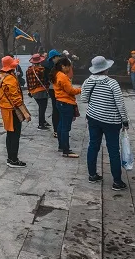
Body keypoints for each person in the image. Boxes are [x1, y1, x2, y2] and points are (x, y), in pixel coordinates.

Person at [82, 55, 129, 191]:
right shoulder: (112, 83)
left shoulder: (88, 81)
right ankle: (117, 182)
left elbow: (84, 99)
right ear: (106, 69)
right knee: (113, 150)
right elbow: (120, 104)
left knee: (93, 145)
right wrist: (125, 120)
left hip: (93, 118)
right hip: (111, 121)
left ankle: (92, 175)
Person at [0, 55, 31, 167]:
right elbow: (16, 98)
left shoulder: (2, 76)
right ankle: (13, 159)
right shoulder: (10, 78)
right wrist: (25, 113)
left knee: (10, 133)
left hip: (5, 108)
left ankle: (10, 158)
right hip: (12, 110)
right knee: (15, 134)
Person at [53, 56, 81, 158]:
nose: (69, 69)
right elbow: (71, 91)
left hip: (60, 102)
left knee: (61, 124)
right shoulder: (63, 77)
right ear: (63, 66)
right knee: (65, 128)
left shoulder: (57, 74)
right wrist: (80, 89)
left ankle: (61, 145)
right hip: (66, 103)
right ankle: (66, 150)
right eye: (68, 66)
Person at [26, 53, 50, 130]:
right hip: (41, 91)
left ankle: (43, 121)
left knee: (41, 107)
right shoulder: (42, 70)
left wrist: (29, 91)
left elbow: (28, 82)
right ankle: (41, 124)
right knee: (42, 107)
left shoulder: (28, 70)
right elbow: (46, 80)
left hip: (33, 92)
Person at [43, 49, 63, 138]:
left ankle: (59, 129)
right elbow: (46, 79)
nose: (59, 58)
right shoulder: (49, 67)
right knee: (56, 109)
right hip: (53, 89)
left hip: (57, 89)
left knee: (59, 109)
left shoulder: (57, 65)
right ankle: (56, 130)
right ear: (54, 58)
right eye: (58, 56)